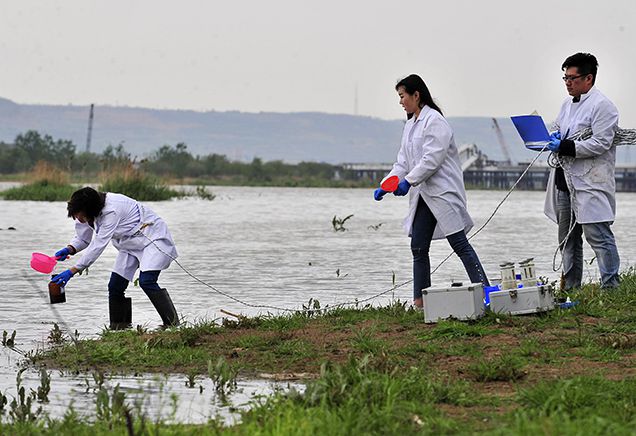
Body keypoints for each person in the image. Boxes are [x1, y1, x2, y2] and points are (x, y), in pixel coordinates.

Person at [373, 74, 489, 308]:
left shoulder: (435, 121)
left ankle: (486, 293)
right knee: (418, 246)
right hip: (423, 194)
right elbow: (403, 161)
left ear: (417, 95)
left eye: (402, 96)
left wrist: (409, 181)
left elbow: (431, 160)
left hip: (442, 192)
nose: (401, 101)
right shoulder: (410, 125)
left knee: (459, 243)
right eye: (399, 97)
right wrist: (388, 183)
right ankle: (420, 301)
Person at [51, 187, 180, 329]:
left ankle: (172, 325)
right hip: (129, 244)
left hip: (152, 238)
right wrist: (70, 248)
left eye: (79, 215)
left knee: (147, 281)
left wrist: (72, 271)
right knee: (115, 287)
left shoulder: (111, 210)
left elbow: (98, 245)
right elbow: (83, 239)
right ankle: (119, 328)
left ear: (90, 210)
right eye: (75, 215)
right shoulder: (85, 213)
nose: (78, 219)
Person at [544, 52, 620, 290]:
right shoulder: (566, 104)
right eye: (565, 77)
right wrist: (552, 136)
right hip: (564, 182)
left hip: (590, 180)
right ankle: (570, 288)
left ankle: (611, 286)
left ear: (589, 78)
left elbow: (601, 142)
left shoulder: (603, 106)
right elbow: (558, 126)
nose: (568, 82)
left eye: (572, 78)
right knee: (567, 239)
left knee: (598, 235)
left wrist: (566, 146)